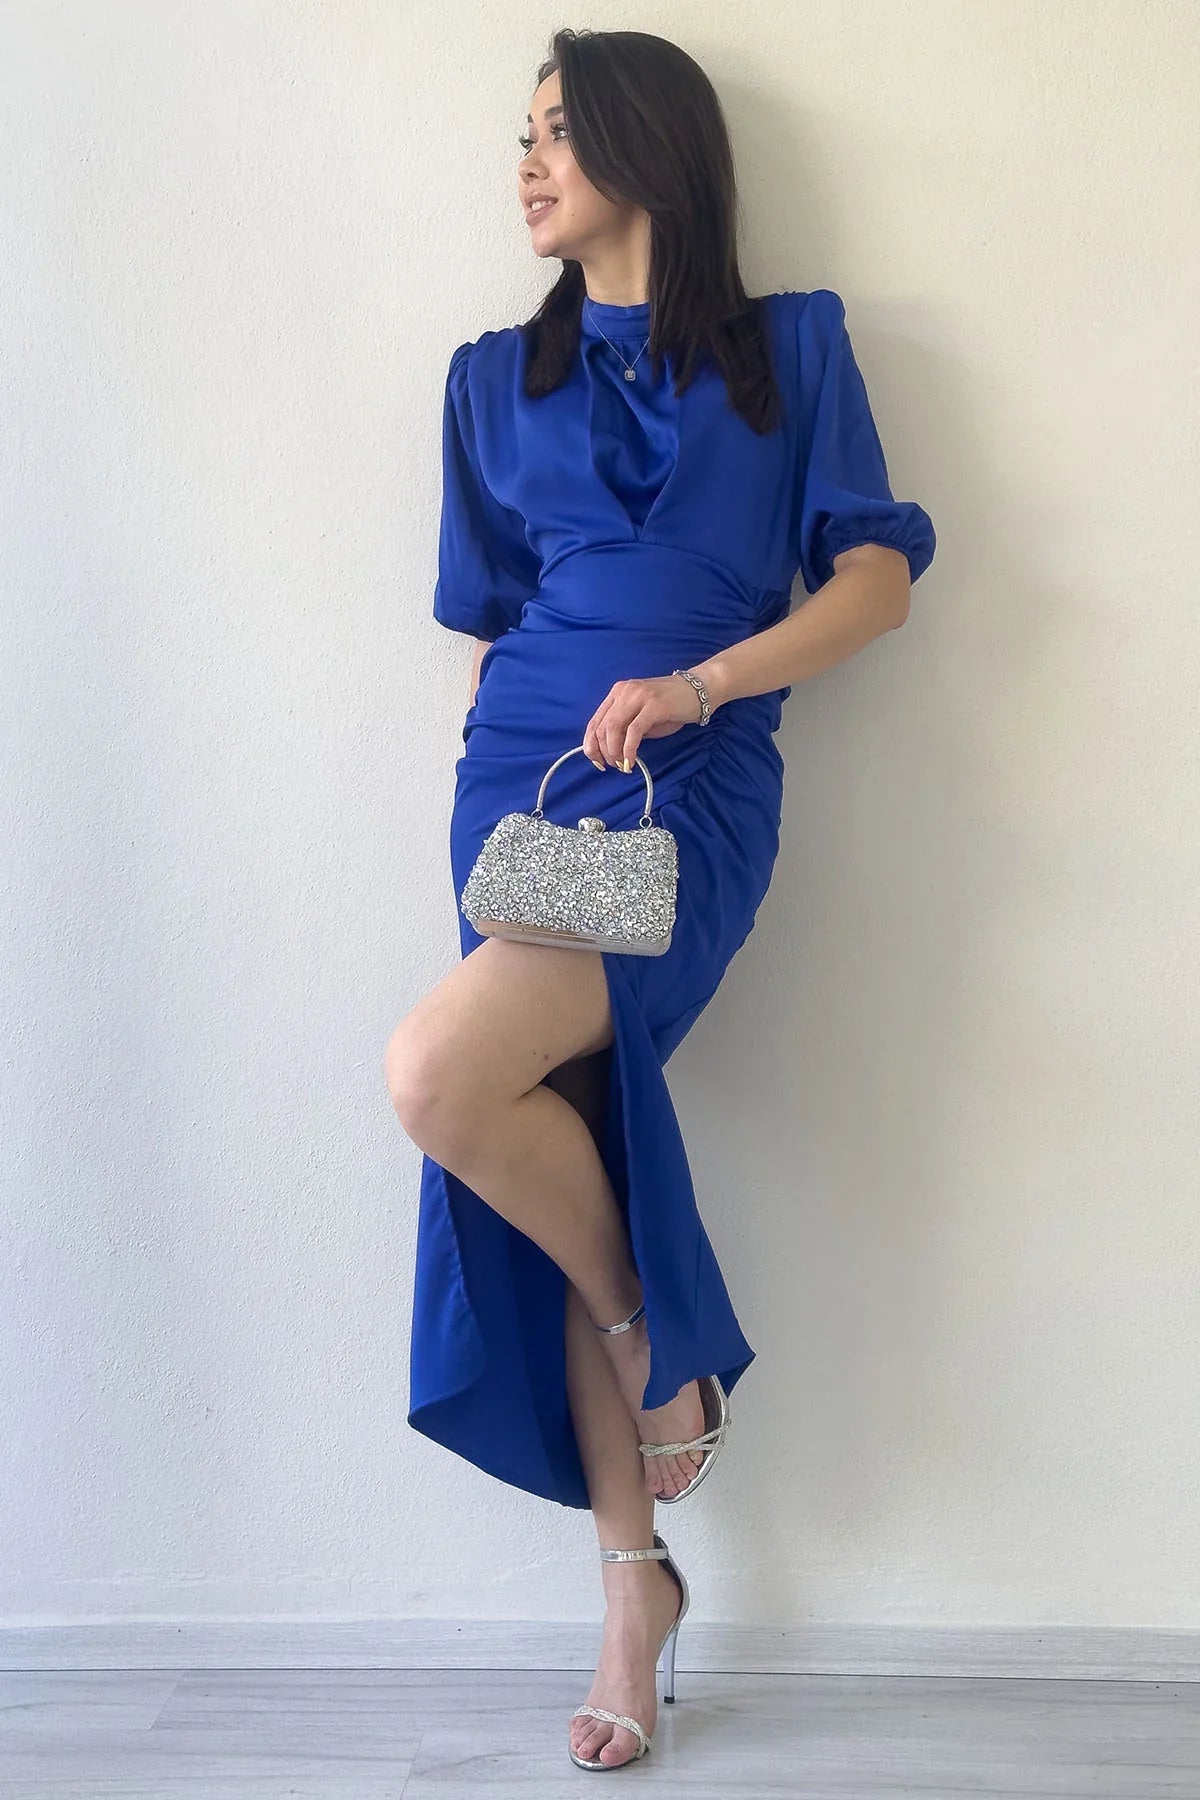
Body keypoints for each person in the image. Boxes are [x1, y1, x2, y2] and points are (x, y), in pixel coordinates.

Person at [384, 27, 936, 1772]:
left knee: (441, 1076)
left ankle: (649, 1339)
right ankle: (637, 1586)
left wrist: (704, 686)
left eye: (559, 132)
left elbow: (876, 583)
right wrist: (505, 753)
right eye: (522, 135)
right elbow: (492, 624)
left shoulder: (794, 349)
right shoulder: (490, 380)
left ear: (650, 146)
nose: (527, 162)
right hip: (525, 789)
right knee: (559, 1128)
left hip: (688, 787)